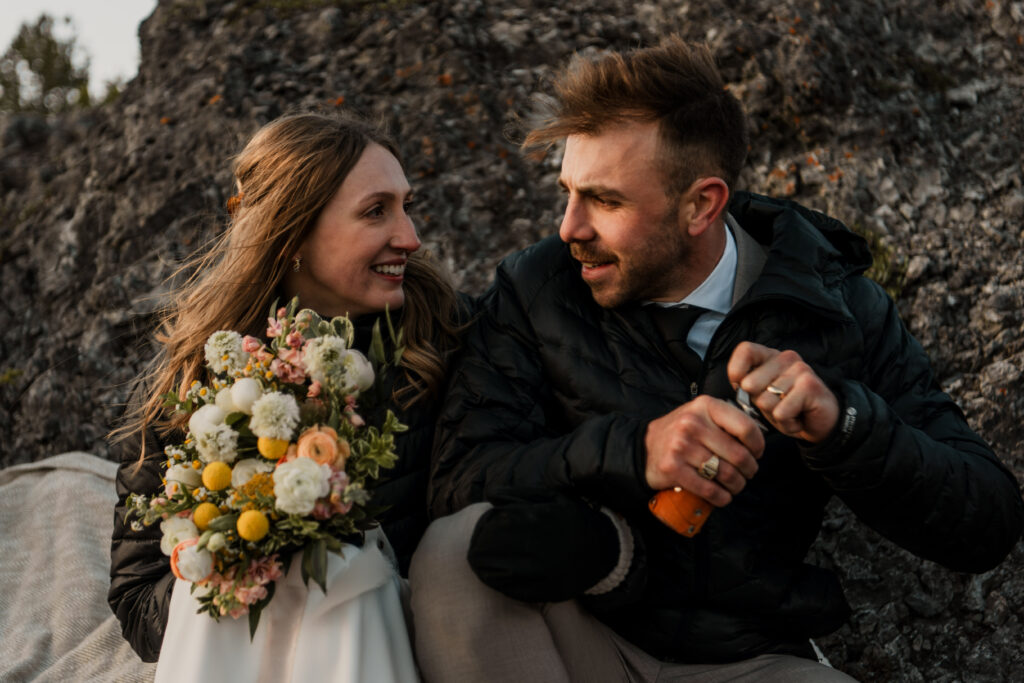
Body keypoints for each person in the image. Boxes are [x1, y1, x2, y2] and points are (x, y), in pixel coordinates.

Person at [409, 36, 1024, 682]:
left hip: (750, 659)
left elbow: (987, 518)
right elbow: (458, 477)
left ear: (702, 204)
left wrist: (842, 424)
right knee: (455, 550)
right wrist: (634, 450)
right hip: (579, 634)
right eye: (567, 191)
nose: (569, 228)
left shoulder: (836, 305)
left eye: (605, 200)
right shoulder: (536, 289)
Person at [107, 111, 465, 673]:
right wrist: (236, 549)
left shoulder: (447, 337)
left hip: (419, 635)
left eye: (406, 206)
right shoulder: (191, 379)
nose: (411, 238)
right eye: (377, 212)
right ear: (291, 232)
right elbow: (136, 600)